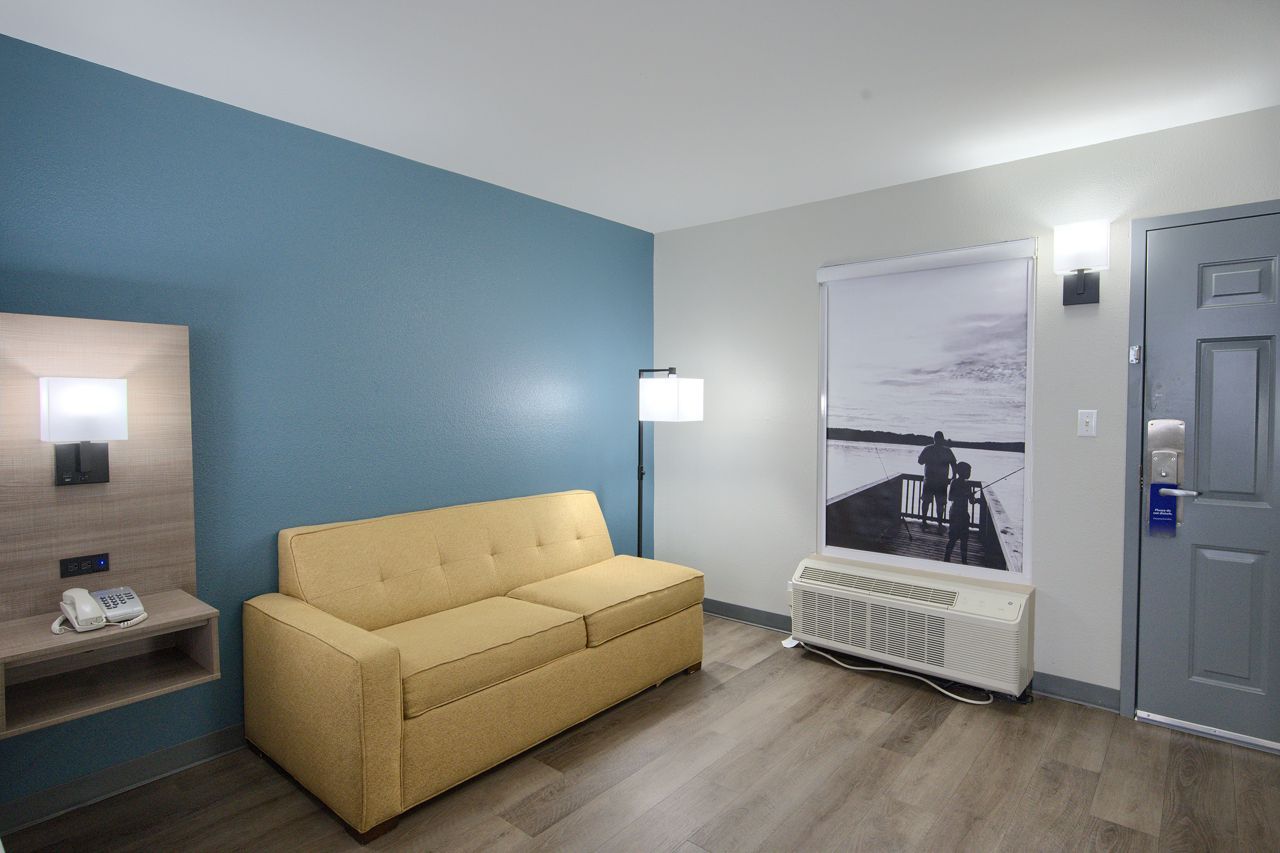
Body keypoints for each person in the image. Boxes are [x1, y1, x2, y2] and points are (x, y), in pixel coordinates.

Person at [916, 431, 956, 531]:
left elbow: (920, 462)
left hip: (928, 481)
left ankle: (924, 522)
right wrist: (953, 476)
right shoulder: (947, 451)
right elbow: (954, 464)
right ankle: (939, 524)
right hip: (941, 482)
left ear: (934, 439)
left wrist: (922, 458)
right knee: (940, 503)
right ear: (942, 439)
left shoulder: (928, 448)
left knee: (926, 502)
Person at [944, 461, 979, 564]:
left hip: (964, 515)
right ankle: (946, 559)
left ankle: (964, 561)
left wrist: (977, 500)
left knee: (965, 539)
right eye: (968, 471)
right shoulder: (954, 482)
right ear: (961, 472)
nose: (969, 473)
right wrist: (964, 494)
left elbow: (971, 501)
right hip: (955, 513)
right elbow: (950, 497)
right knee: (953, 538)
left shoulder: (968, 485)